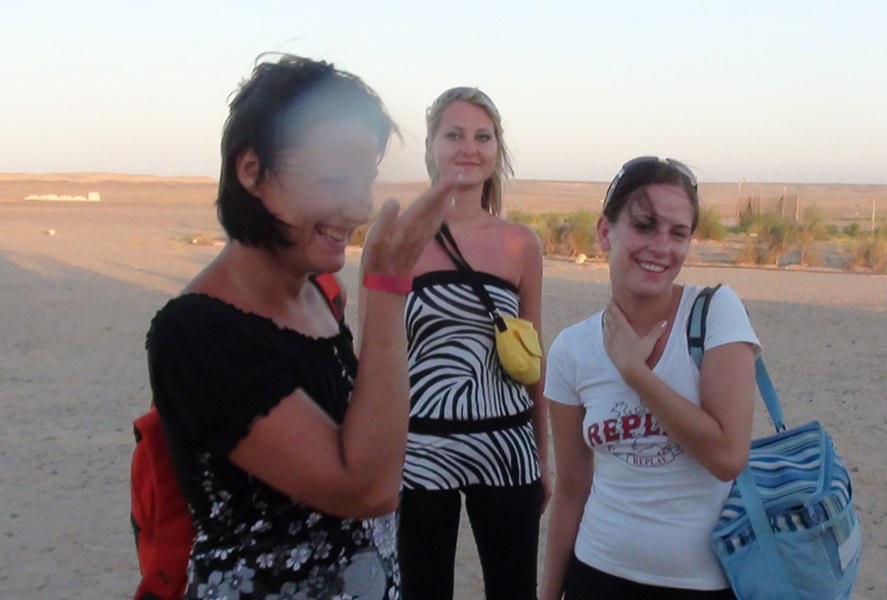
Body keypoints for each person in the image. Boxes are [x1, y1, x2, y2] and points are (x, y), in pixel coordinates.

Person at [145, 53, 463, 599]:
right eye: (333, 180)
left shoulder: (320, 295)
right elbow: (367, 490)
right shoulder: (197, 332)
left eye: (365, 182)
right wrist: (387, 291)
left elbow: (371, 435)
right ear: (252, 171)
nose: (358, 208)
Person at [540, 157, 762, 600]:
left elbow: (727, 457)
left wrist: (635, 373)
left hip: (703, 584)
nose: (661, 246)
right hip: (596, 574)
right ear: (606, 232)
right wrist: (547, 594)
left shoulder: (714, 313)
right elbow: (572, 489)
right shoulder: (572, 349)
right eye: (644, 226)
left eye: (678, 233)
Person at [391, 87, 549, 600]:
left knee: (514, 591)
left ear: (496, 150)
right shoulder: (398, 239)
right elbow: (378, 361)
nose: (469, 148)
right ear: (431, 146)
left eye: (483, 137)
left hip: (507, 445)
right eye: (454, 135)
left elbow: (533, 358)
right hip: (420, 449)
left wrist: (542, 457)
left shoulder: (520, 243)